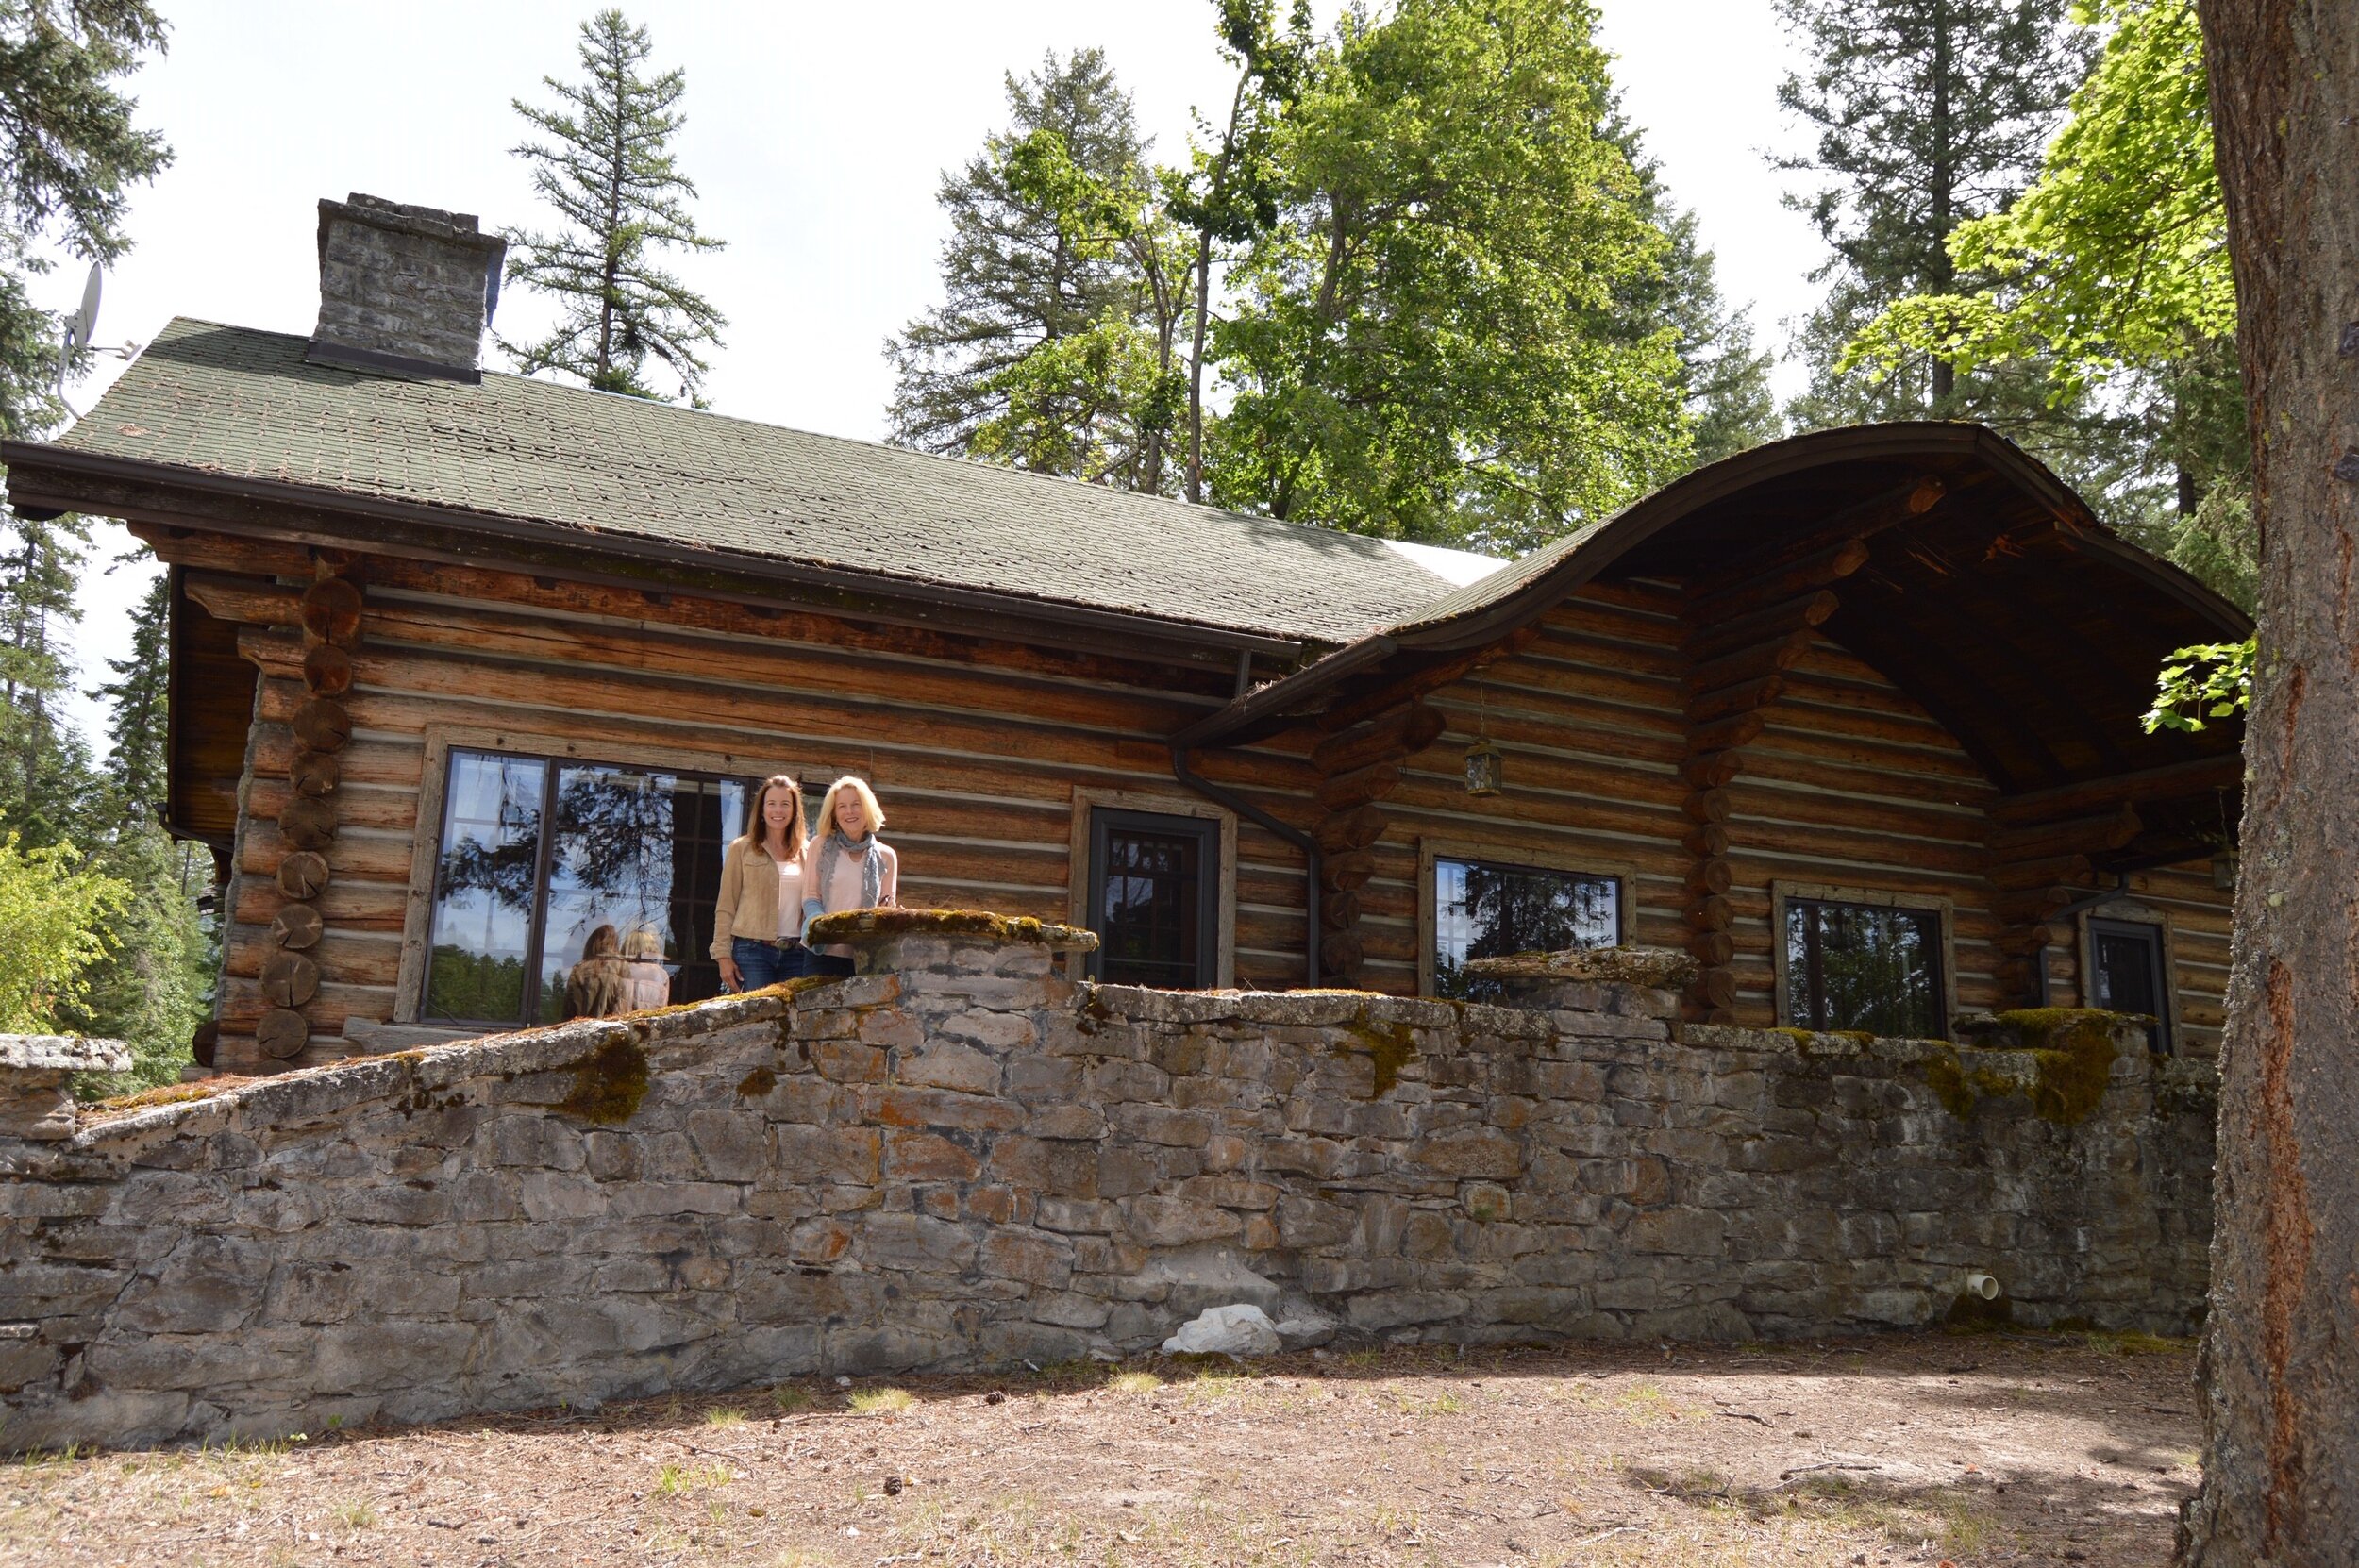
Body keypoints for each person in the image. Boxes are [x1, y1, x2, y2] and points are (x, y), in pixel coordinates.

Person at [711, 772, 813, 993]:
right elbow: (726, 906)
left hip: (796, 954)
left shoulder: (808, 851)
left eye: (785, 804)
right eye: (772, 804)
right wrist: (722, 955)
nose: (778, 810)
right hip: (752, 952)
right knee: (757, 1021)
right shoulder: (741, 849)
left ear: (795, 810)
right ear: (762, 809)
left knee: (789, 1023)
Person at [802, 776, 898, 977]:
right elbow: (811, 897)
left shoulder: (887, 856)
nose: (849, 812)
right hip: (822, 952)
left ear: (867, 808)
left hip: (866, 956)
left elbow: (886, 907)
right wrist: (824, 927)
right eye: (842, 806)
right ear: (834, 814)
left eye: (856, 804)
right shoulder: (820, 845)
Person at [564, 924, 629, 1017]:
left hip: (583, 1027)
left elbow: (570, 1008)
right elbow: (624, 1003)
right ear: (615, 944)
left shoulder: (579, 969)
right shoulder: (623, 967)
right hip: (614, 1027)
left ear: (591, 944)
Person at [619, 926, 672, 1011]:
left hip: (622, 1021)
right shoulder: (661, 974)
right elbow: (663, 1007)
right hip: (651, 1022)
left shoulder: (620, 970)